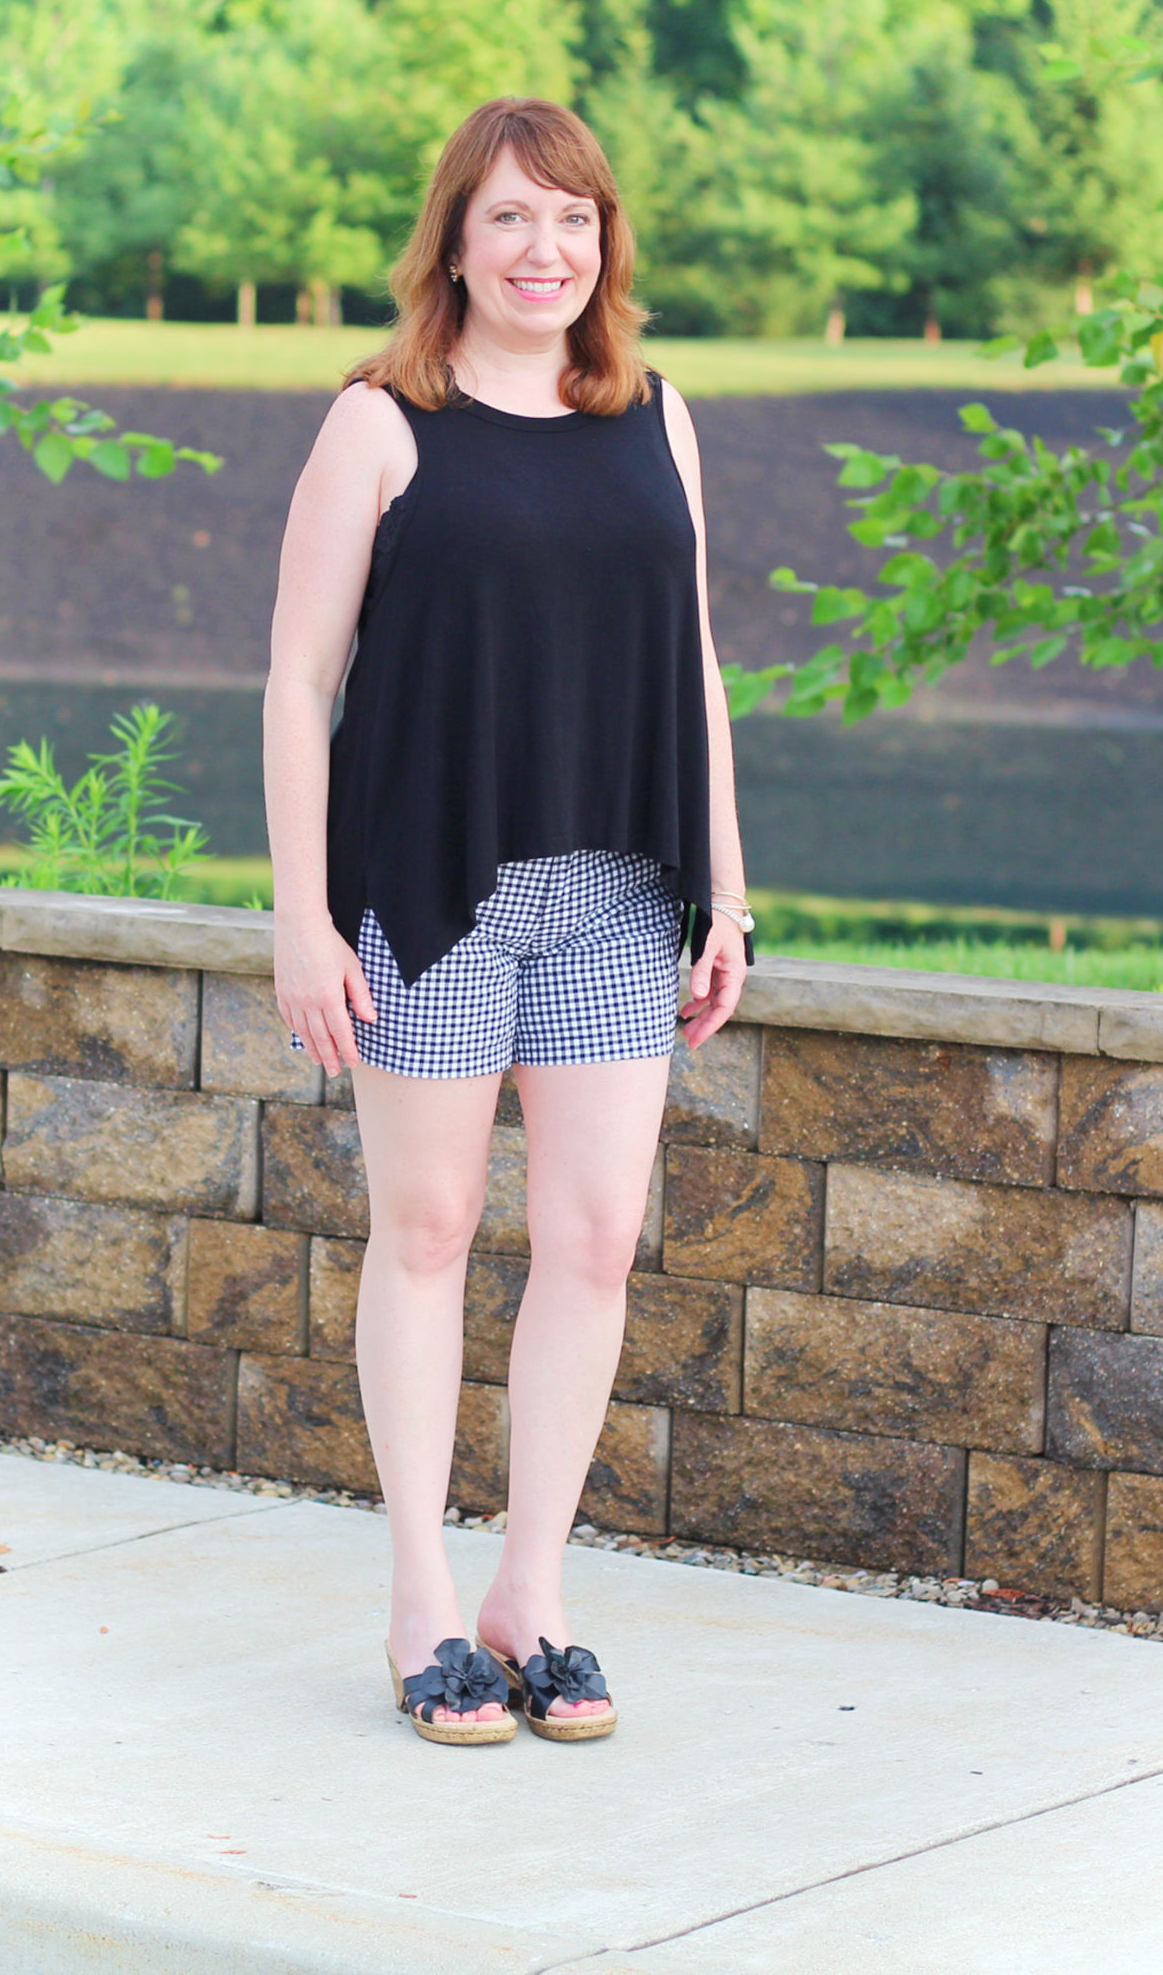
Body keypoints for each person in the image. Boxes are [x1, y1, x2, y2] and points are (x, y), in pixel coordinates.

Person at [264, 95, 753, 1746]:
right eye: (509, 221)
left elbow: (691, 665)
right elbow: (295, 681)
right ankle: (420, 1604)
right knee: (427, 1230)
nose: (545, 250)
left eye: (573, 219)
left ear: (603, 243)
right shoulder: (381, 423)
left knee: (597, 1237)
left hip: (620, 891)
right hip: (431, 890)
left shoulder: (657, 418)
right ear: (454, 248)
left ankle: (527, 1595)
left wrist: (725, 891)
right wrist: (299, 917)